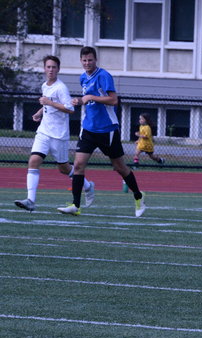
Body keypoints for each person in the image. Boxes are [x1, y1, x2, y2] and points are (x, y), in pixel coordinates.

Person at [58, 46, 146, 217]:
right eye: (84, 60)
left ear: (95, 60)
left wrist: (91, 97)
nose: (87, 63)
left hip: (107, 130)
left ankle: (138, 195)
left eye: (90, 60)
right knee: (78, 165)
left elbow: (113, 100)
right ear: (81, 61)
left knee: (119, 167)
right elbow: (88, 100)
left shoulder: (104, 75)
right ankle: (76, 205)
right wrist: (80, 101)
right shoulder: (83, 77)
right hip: (88, 129)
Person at [14, 55, 95, 212]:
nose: (51, 70)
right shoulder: (45, 85)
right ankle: (30, 200)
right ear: (44, 69)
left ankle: (87, 185)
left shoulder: (61, 88)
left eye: (54, 67)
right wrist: (40, 112)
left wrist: (49, 103)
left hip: (59, 135)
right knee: (33, 161)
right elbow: (47, 105)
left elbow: (70, 109)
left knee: (64, 168)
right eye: (48, 67)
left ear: (58, 69)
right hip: (43, 132)